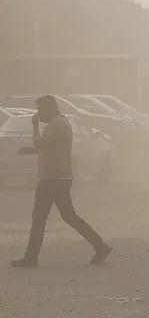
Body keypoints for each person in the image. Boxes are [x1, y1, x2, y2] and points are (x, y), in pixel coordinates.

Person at [11, 95, 112, 268]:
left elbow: (41, 144)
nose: (38, 113)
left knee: (39, 217)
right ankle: (100, 246)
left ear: (49, 108)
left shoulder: (56, 124)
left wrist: (34, 127)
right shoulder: (61, 123)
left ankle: (31, 257)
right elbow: (50, 146)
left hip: (52, 179)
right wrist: (31, 150)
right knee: (69, 216)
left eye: (39, 109)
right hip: (59, 178)